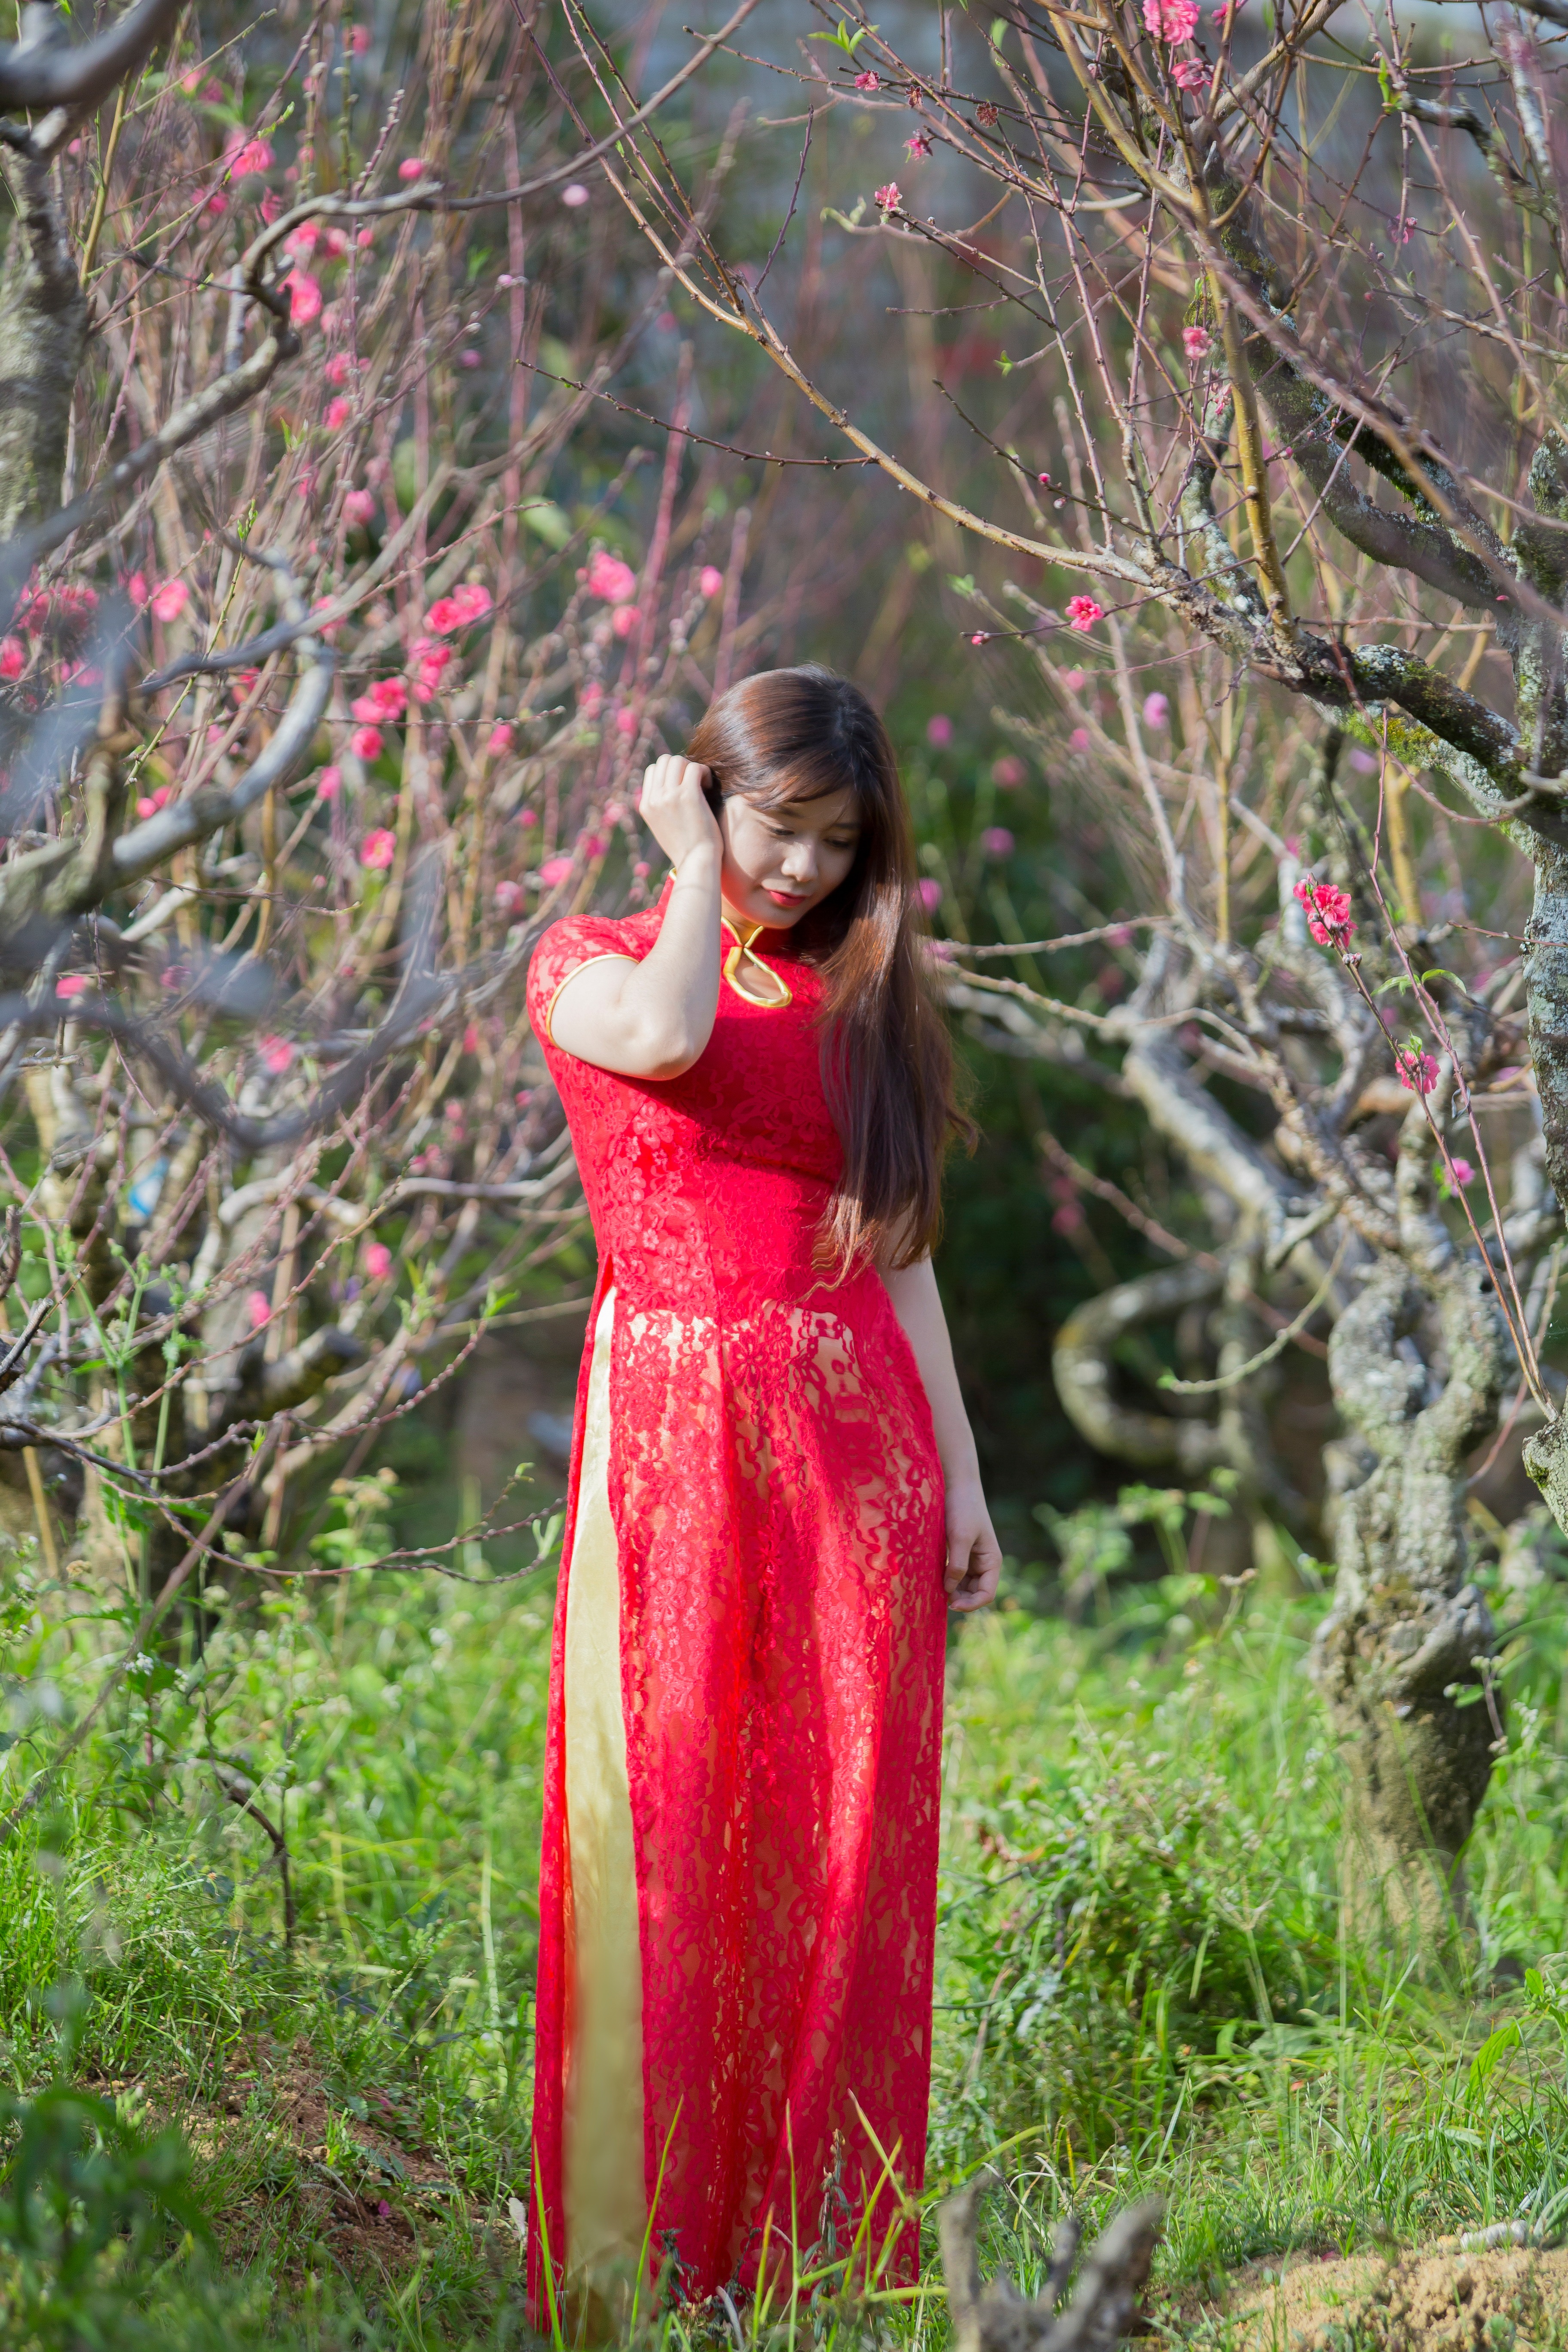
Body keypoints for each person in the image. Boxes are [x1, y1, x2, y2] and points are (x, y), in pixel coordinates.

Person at [524, 665, 1002, 2329]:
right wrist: (685, 867)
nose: (797, 872)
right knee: (669, 1821)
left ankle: (814, 2272)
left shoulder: (858, 1003)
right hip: (667, 1444)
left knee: (839, 1839)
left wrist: (956, 1476)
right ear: (706, 791)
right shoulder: (585, 960)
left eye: (834, 846)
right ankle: (641, 2260)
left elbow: (903, 1250)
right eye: (776, 828)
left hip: (851, 1457)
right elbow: (664, 1039)